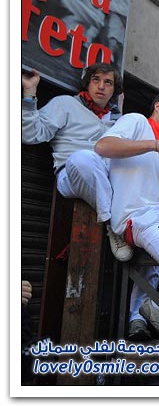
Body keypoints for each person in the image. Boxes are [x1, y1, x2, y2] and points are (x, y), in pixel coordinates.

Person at [94, 90, 159, 375]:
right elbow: (103, 146)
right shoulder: (138, 122)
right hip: (135, 218)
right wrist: (155, 145)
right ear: (158, 106)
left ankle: (155, 305)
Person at [21, 64, 132, 261]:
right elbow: (30, 134)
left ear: (114, 90)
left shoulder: (117, 119)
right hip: (71, 173)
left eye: (108, 83)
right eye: (96, 80)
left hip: (107, 177)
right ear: (87, 83)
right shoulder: (65, 104)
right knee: (83, 158)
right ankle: (113, 226)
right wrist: (30, 92)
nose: (101, 86)